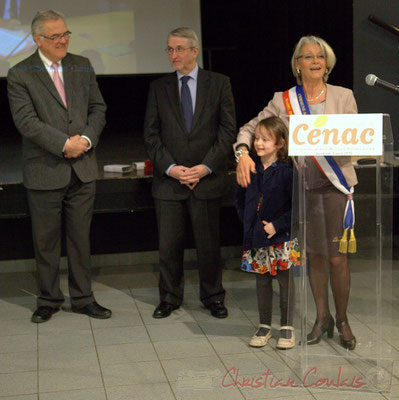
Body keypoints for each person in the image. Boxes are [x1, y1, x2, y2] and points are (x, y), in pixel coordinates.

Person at [234, 35, 357, 350]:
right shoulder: (283, 99)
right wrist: (243, 153)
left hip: (335, 186)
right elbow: (249, 129)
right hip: (302, 190)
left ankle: (342, 320)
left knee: (337, 258)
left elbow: (358, 141)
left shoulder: (344, 96)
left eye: (320, 56)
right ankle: (322, 318)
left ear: (327, 63)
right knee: (315, 256)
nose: (315, 61)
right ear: (297, 64)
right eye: (308, 56)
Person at [7, 9, 111, 323]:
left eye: (65, 34)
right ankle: (49, 299)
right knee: (46, 241)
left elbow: (98, 108)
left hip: (82, 167)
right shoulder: (20, 73)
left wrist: (86, 140)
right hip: (44, 170)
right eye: (55, 37)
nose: (62, 40)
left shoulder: (82, 65)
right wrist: (65, 144)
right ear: (37, 39)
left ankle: (83, 298)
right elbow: (27, 122)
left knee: (81, 239)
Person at [143, 27, 236, 319]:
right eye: (169, 49)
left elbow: (227, 130)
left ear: (194, 51)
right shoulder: (158, 88)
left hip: (206, 179)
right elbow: (151, 135)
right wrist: (172, 169)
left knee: (209, 246)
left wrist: (206, 166)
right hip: (170, 182)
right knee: (168, 246)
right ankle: (169, 298)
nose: (174, 55)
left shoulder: (219, 83)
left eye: (179, 49)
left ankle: (213, 297)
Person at [235, 117, 299, 349]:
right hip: (257, 237)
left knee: (285, 282)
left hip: (281, 238)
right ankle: (264, 325)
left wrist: (277, 225)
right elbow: (240, 199)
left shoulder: (287, 172)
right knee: (262, 282)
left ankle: (286, 327)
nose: (259, 143)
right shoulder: (250, 169)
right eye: (257, 138)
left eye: (265, 139)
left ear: (280, 143)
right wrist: (249, 223)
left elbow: (297, 206)